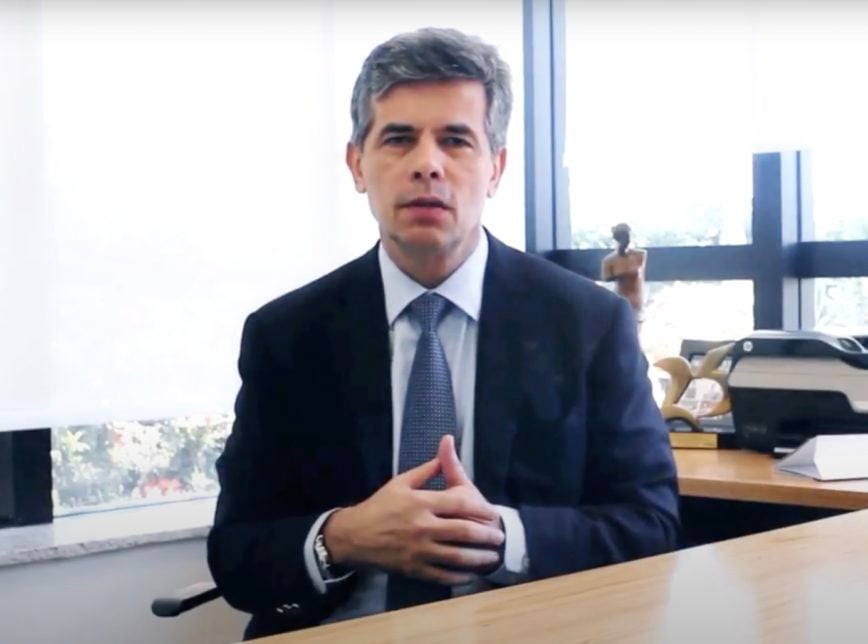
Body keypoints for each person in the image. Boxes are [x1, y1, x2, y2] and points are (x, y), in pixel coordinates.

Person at [207, 27, 680, 641]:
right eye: (398, 138)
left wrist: (504, 538)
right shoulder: (287, 336)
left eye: (455, 140)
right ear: (357, 164)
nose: (427, 163)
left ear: (495, 168)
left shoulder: (588, 324)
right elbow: (236, 553)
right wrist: (342, 537)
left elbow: (651, 524)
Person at [601, 223, 647, 329]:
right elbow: (606, 278)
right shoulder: (609, 260)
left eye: (627, 237)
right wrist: (623, 275)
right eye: (622, 237)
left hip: (636, 301)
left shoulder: (640, 255)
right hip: (621, 299)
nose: (625, 240)